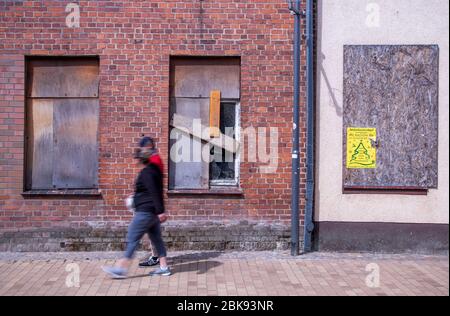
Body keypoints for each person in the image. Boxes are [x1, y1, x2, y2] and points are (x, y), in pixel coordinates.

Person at [102, 136, 170, 278]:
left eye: (137, 159)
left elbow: (154, 192)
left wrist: (160, 211)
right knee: (157, 240)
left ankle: (121, 269)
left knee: (132, 237)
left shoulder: (147, 173)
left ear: (142, 159)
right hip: (152, 212)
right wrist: (160, 211)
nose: (136, 161)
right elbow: (158, 191)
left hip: (145, 212)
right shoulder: (154, 170)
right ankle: (164, 268)